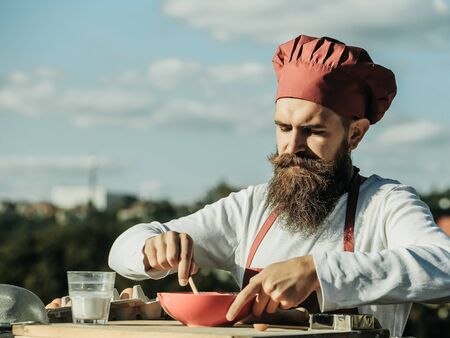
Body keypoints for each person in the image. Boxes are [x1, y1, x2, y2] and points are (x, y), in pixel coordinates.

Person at [108, 34, 450, 337]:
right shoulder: (250, 208)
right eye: (283, 127)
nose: (292, 146)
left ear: (355, 133)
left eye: (312, 131)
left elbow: (444, 267)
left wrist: (316, 271)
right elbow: (121, 251)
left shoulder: (386, 204)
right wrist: (152, 248)